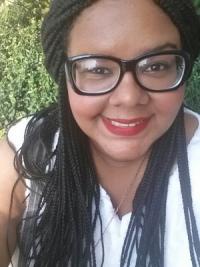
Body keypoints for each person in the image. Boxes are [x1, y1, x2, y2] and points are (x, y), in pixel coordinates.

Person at [1, 0, 200, 266]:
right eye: (97, 68)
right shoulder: (27, 153)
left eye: (156, 66)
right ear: (66, 77)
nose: (129, 98)